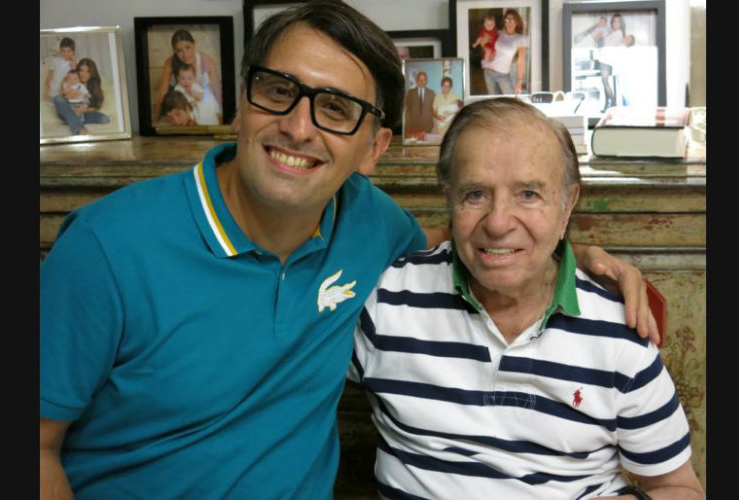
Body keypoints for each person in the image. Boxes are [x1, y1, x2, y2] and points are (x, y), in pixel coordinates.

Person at [40, 2, 658, 499]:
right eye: (279, 91)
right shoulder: (105, 248)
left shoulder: (374, 229)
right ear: (240, 105)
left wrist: (575, 255)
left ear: (374, 149)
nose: (299, 126)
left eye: (336, 109)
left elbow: (476, 238)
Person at [349, 97, 704, 500]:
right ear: (449, 198)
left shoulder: (622, 336)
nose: (498, 222)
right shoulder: (387, 301)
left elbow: (680, 489)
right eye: (475, 194)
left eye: (529, 194)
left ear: (567, 204)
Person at [151, 28, 223, 126]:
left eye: (188, 47)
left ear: (194, 44)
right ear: (175, 52)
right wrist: (155, 119)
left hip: (200, 97)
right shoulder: (170, 63)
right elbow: (162, 93)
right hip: (183, 99)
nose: (185, 54)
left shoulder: (207, 61)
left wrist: (222, 115)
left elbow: (217, 91)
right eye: (179, 50)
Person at [53, 57, 110, 135]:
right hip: (67, 110)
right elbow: (61, 98)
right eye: (81, 70)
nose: (84, 74)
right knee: (57, 98)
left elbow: (97, 105)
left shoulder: (93, 86)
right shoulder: (70, 79)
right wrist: (67, 96)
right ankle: (79, 128)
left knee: (104, 119)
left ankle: (72, 120)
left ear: (92, 73)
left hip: (82, 113)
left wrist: (83, 110)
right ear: (78, 71)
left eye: (88, 71)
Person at [480, 9, 528, 95]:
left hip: (503, 75)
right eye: (507, 20)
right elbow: (488, 48)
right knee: (493, 103)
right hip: (488, 72)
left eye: (512, 20)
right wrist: (482, 44)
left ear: (517, 22)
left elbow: (521, 61)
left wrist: (519, 82)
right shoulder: (499, 33)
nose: (509, 23)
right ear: (504, 22)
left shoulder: (520, 39)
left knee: (510, 101)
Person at [173, 61, 223, 125]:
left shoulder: (195, 85)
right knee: (184, 114)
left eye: (189, 78)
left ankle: (203, 120)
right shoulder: (178, 88)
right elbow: (176, 102)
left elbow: (200, 97)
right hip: (186, 108)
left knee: (203, 106)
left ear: (193, 78)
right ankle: (191, 121)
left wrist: (193, 93)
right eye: (183, 78)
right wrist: (188, 105)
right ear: (178, 79)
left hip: (196, 104)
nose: (186, 81)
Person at [596, 13, 625, 111]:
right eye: (614, 21)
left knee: (605, 81)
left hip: (608, 61)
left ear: (621, 23)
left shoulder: (618, 33)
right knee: (604, 82)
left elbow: (606, 44)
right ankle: (607, 104)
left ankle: (613, 103)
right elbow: (600, 43)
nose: (615, 23)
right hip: (603, 59)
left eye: (618, 21)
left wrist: (602, 39)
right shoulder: (611, 32)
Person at [404, 71, 436, 137]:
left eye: (424, 80)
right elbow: (407, 110)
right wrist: (407, 125)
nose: (422, 82)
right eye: (420, 79)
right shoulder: (410, 93)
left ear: (426, 81)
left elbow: (434, 109)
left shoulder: (432, 93)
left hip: (427, 125)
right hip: (413, 125)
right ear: (416, 80)